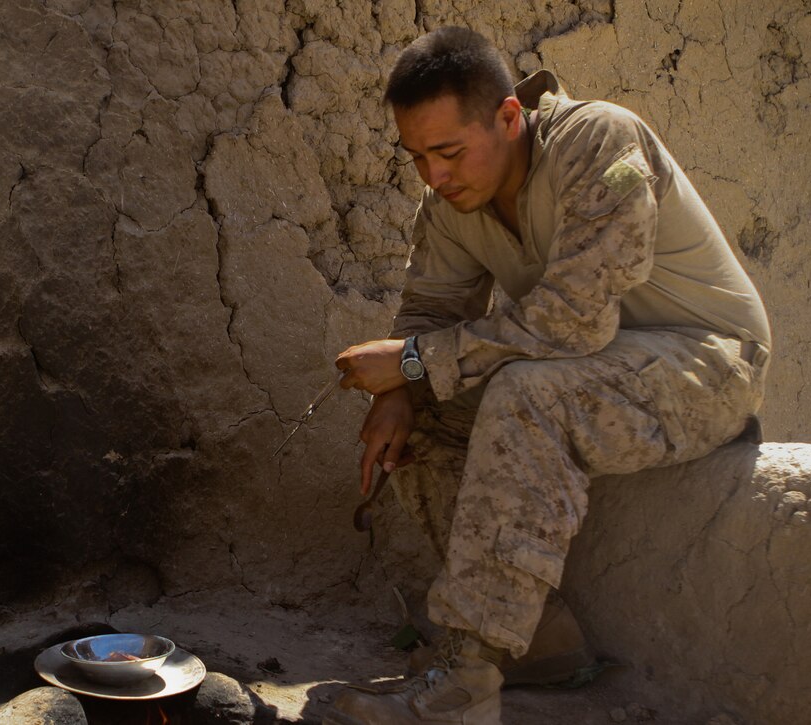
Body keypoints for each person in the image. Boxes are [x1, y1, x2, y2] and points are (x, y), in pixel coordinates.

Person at [323, 26, 770, 725]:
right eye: (416, 158)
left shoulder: (599, 142)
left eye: (448, 152)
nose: (433, 177)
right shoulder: (450, 204)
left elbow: (572, 323)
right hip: (594, 372)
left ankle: (462, 687)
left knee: (525, 394)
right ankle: (536, 645)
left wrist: (411, 364)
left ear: (508, 117)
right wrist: (402, 390)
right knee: (426, 418)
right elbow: (433, 311)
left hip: (708, 364)